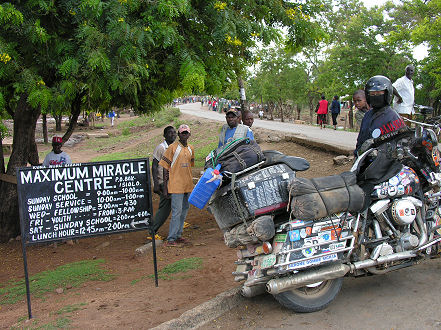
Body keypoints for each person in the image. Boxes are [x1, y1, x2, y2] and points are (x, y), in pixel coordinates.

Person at [159, 124, 195, 246]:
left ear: (189, 134)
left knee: (184, 210)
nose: (184, 135)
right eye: (182, 133)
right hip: (176, 186)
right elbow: (165, 168)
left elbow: (190, 166)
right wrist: (165, 187)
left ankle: (178, 235)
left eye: (186, 133)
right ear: (179, 135)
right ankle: (171, 238)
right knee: (176, 212)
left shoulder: (191, 148)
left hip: (188, 185)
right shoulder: (172, 148)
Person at [355, 75, 406, 156]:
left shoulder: (393, 117)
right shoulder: (367, 115)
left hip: (383, 164)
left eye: (379, 93)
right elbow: (361, 138)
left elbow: (400, 144)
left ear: (387, 94)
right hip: (364, 160)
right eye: (372, 94)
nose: (375, 96)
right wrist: (357, 153)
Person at [148, 126, 177, 241]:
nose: (173, 135)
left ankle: (178, 224)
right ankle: (152, 230)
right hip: (163, 182)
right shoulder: (161, 148)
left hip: (173, 182)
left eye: (174, 133)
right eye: (170, 133)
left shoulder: (175, 147)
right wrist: (155, 183)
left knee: (177, 203)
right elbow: (154, 166)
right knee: (165, 207)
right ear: (164, 135)